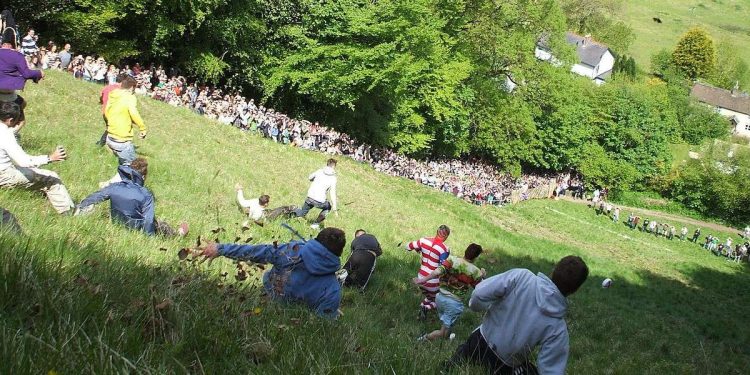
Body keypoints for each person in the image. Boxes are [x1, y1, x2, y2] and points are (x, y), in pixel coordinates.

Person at [446, 255, 589, 375]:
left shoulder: (521, 277)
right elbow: (551, 370)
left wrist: (476, 307)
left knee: (453, 365)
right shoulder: (558, 326)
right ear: (574, 290)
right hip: (505, 366)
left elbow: (479, 293)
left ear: (553, 270)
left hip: (478, 342)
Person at [199, 227, 346, 319]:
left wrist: (221, 249)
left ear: (315, 241)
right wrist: (332, 313)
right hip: (290, 320)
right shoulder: (333, 291)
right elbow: (320, 325)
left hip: (264, 298)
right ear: (337, 255)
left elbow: (256, 252)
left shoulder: (290, 251)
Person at [76, 158, 187, 237]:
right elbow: (148, 220)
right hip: (137, 229)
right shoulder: (145, 194)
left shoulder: (114, 187)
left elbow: (94, 197)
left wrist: (80, 206)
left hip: (117, 223)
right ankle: (179, 233)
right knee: (160, 224)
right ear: (143, 176)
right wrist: (149, 238)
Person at [0, 102, 74, 214]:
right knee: (52, 178)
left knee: (34, 173)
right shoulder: (6, 134)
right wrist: (50, 158)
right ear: (10, 120)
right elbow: (24, 161)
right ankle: (69, 212)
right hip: (4, 175)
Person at [414, 243, 485, 341]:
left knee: (448, 326)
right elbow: (482, 288)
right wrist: (483, 276)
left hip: (439, 298)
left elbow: (437, 272)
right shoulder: (476, 272)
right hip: (453, 304)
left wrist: (422, 280)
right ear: (476, 257)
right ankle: (422, 339)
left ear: (466, 251)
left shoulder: (451, 260)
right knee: (443, 333)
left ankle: (446, 338)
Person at [102, 75, 146, 186]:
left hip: (110, 136)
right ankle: (109, 186)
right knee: (135, 168)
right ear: (131, 87)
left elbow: (106, 112)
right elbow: (133, 113)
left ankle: (116, 184)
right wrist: (142, 127)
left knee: (125, 165)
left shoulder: (113, 95)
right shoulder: (129, 98)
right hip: (122, 139)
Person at [0, 28, 42, 131]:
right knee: (21, 119)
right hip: (7, 94)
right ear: (14, 42)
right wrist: (39, 73)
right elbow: (27, 73)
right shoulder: (17, 55)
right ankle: (10, 135)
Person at [406, 225, 451, 316]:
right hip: (432, 280)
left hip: (420, 277)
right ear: (446, 236)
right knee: (437, 301)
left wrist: (418, 249)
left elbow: (408, 246)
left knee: (428, 297)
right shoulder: (445, 249)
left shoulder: (424, 240)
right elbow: (443, 267)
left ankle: (421, 311)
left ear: (437, 232)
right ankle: (426, 308)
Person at [295, 158, 337, 229]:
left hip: (310, 198)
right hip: (320, 201)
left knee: (302, 213)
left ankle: (292, 212)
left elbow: (310, 177)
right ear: (334, 166)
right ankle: (315, 224)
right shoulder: (333, 178)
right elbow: (332, 193)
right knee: (328, 207)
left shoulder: (319, 171)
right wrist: (335, 208)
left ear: (327, 164)